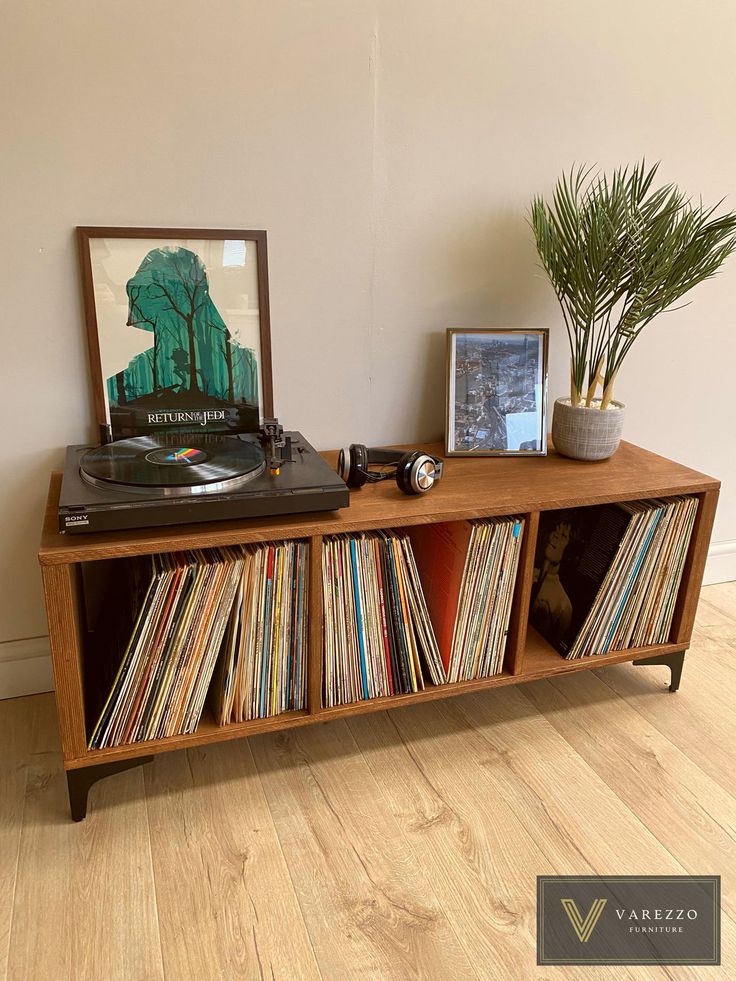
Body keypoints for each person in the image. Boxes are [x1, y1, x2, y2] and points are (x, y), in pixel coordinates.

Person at [531, 519, 573, 645]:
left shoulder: (564, 604)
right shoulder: (524, 571)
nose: (555, 535)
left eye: (564, 536)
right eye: (556, 529)